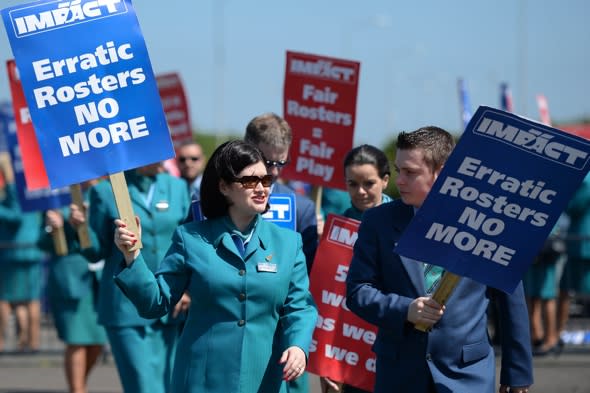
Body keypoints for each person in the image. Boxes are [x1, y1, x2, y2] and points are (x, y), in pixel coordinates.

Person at [112, 140, 317, 393]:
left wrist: (297, 345)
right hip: (201, 380)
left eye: (265, 180)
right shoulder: (190, 238)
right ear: (224, 186)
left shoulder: (288, 242)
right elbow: (156, 302)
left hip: (265, 379)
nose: (262, 188)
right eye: (250, 181)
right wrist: (132, 256)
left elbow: (300, 306)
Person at [345, 126, 533, 393]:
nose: (399, 181)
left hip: (468, 375)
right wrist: (405, 309)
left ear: (443, 172)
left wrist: (518, 374)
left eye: (411, 172)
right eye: (399, 171)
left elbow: (510, 300)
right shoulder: (378, 222)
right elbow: (357, 291)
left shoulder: (488, 223)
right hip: (400, 374)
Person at [71, 163, 191, 393]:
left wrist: (188, 289)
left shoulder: (177, 187)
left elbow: (189, 243)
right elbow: (95, 251)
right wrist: (81, 229)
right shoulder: (105, 190)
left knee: (172, 386)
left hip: (170, 304)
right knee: (143, 386)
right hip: (124, 308)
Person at [321, 144, 391, 393]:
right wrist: (326, 363)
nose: (360, 192)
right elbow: (327, 301)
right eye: (352, 184)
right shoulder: (335, 226)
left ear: (385, 180)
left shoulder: (406, 224)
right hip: (348, 355)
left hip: (392, 350)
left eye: (368, 183)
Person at [40, 179, 107, 393]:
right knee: (77, 339)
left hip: (101, 279)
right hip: (72, 279)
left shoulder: (107, 194)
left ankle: (80, 385)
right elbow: (40, 242)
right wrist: (54, 228)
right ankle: (77, 389)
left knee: (97, 342)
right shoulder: (59, 199)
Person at [244, 113, 318, 271]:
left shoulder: (301, 208)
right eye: (268, 163)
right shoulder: (208, 199)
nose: (275, 172)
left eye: (281, 163)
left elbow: (306, 274)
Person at [0, 171, 44, 353]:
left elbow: (16, 216)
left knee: (5, 299)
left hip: (14, 252)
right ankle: (28, 340)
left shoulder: (14, 191)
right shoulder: (36, 193)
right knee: (28, 299)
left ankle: (5, 341)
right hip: (32, 250)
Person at [524, 213, 569, 357]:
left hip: (543, 247)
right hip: (539, 246)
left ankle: (549, 338)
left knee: (545, 295)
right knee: (534, 296)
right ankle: (537, 336)